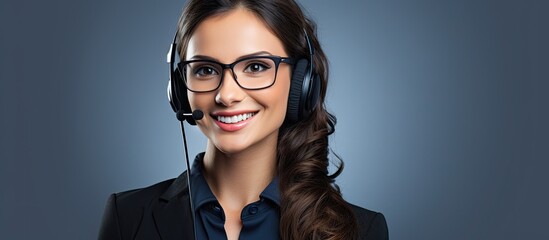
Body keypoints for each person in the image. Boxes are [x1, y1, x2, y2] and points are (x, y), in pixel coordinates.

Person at [98, 0, 388, 239]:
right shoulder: (128, 217)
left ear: (302, 82)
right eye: (205, 70)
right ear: (179, 87)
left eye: (256, 66)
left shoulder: (362, 231)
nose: (227, 94)